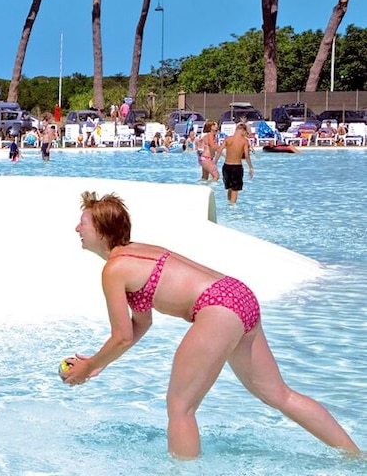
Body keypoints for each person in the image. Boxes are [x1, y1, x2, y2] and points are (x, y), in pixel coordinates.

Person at [63, 191, 360, 459]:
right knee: (279, 395)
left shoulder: (114, 268)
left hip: (217, 307)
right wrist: (99, 363)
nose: (78, 229)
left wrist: (88, 367)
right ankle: (357, 457)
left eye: (83, 223)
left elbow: (122, 337)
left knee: (180, 408)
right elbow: (141, 321)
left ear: (102, 229)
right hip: (238, 295)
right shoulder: (138, 252)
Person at [218, 121, 254, 204]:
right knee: (235, 189)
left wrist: (215, 161)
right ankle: (232, 207)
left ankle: (229, 203)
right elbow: (247, 155)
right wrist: (251, 167)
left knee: (229, 188)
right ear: (243, 131)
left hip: (226, 166)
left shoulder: (228, 139)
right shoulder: (244, 141)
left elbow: (219, 150)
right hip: (237, 167)